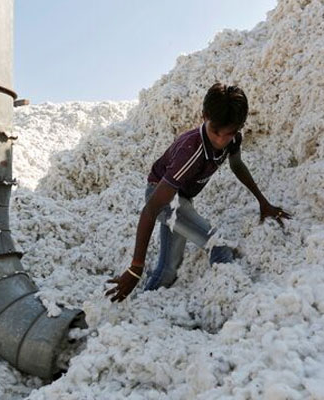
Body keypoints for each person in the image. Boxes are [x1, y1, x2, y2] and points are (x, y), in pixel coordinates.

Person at [106, 83, 291, 302]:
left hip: (180, 199)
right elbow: (151, 210)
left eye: (229, 134)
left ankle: (145, 304)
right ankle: (236, 303)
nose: (221, 140)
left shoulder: (233, 138)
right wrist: (136, 267)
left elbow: (237, 165)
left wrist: (263, 202)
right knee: (218, 246)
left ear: (239, 127)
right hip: (163, 199)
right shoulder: (191, 151)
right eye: (215, 132)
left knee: (168, 271)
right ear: (204, 116)